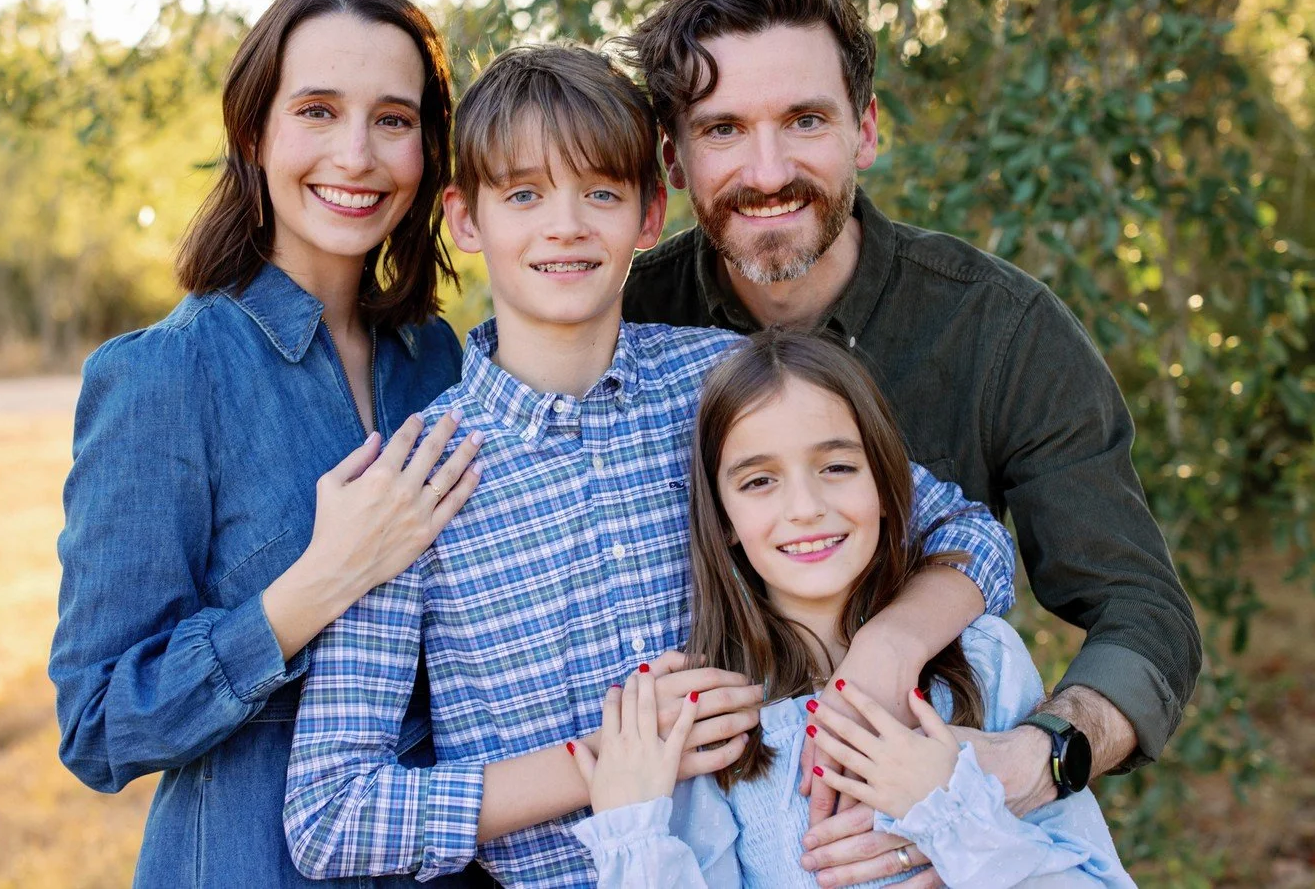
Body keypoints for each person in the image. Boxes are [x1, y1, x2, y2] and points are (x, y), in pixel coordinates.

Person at [284, 44, 1018, 888]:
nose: (564, 225)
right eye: (523, 194)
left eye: (599, 192)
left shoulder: (724, 384)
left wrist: (887, 650)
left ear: (646, 216)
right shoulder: (418, 480)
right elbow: (331, 818)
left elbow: (968, 536)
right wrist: (600, 761)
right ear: (465, 219)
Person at [618, 0, 1200, 884]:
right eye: (723, 129)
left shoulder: (999, 332)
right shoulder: (617, 326)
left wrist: (1017, 772)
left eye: (804, 120)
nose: (767, 171)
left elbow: (1140, 613)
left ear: (866, 129)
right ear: (674, 159)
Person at [48, 0, 491, 888]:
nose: (357, 155)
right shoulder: (167, 376)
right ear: (254, 133)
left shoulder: (436, 361)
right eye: (318, 110)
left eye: (393, 120)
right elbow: (97, 724)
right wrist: (320, 583)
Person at [569, 329, 1137, 888]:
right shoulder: (717, 720)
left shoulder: (982, 661)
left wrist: (953, 815)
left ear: (887, 488)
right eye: (760, 480)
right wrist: (633, 834)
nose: (805, 508)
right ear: (723, 521)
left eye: (837, 467)